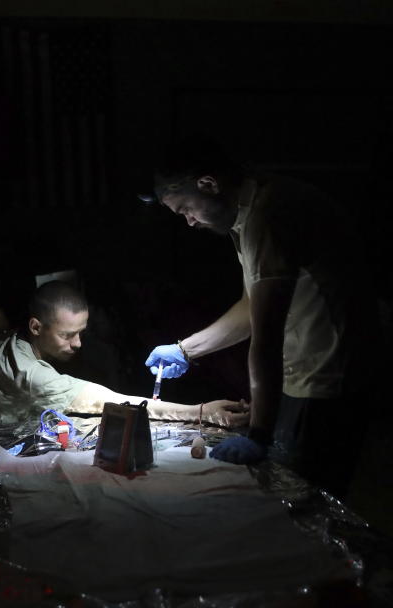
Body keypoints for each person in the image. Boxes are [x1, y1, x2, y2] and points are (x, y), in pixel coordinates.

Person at [143, 139, 379, 497]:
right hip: (310, 374)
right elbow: (250, 307)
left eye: (186, 209)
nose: (190, 222)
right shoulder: (253, 207)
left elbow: (266, 335)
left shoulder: (268, 216)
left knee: (307, 501)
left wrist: (259, 432)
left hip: (326, 379)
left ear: (207, 184)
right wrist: (185, 349)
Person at [0, 280, 248, 427]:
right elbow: (106, 401)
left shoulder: (13, 342)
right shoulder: (29, 372)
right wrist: (201, 412)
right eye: (67, 335)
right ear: (36, 326)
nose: (78, 343)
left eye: (81, 332)